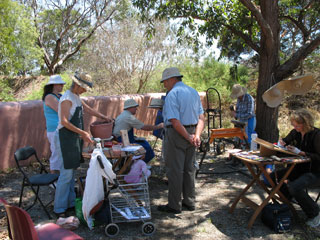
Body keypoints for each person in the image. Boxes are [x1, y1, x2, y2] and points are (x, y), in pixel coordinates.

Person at [53, 72, 112, 217]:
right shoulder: (66, 98)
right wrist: (84, 133)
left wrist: (104, 117)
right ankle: (59, 208)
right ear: (78, 85)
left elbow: (88, 109)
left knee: (72, 172)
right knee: (66, 174)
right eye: (84, 87)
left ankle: (71, 203)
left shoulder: (76, 97)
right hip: (64, 138)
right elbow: (64, 122)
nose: (85, 90)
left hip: (73, 138)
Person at [157, 67, 205, 214]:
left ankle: (174, 205)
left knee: (175, 170)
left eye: (165, 81)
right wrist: (196, 135)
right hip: (191, 131)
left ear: (172, 79)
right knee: (189, 169)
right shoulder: (193, 92)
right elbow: (201, 118)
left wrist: (188, 136)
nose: (164, 85)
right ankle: (190, 201)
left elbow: (175, 121)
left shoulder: (172, 94)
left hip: (177, 133)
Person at [271, 109, 320, 228]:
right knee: (273, 177)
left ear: (306, 123)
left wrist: (302, 153)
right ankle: (287, 202)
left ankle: (315, 213)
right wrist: (281, 144)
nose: (296, 127)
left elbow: (318, 156)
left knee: (295, 186)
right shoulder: (295, 132)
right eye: (294, 124)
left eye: (298, 125)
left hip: (316, 172)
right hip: (299, 168)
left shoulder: (317, 134)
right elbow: (285, 141)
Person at [112, 99, 163, 164]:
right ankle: (138, 165)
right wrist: (158, 126)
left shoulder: (122, 115)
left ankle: (136, 164)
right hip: (123, 141)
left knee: (143, 142)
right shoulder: (129, 117)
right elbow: (144, 127)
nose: (136, 109)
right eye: (135, 107)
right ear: (130, 107)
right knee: (145, 147)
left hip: (123, 138)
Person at [42, 75, 66, 174]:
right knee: (56, 154)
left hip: (61, 128)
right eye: (60, 84)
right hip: (54, 129)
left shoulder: (60, 96)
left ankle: (61, 177)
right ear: (54, 85)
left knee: (61, 154)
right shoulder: (49, 97)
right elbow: (61, 110)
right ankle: (53, 178)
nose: (62, 86)